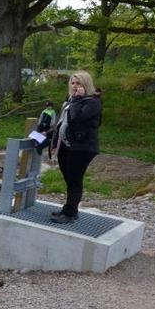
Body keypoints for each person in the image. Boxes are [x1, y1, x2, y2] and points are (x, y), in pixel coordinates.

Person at [50, 71, 102, 224]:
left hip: (82, 148)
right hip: (67, 146)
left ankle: (71, 213)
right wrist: (53, 143)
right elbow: (62, 122)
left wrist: (78, 99)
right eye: (72, 83)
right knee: (69, 179)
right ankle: (68, 209)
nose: (74, 86)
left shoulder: (92, 102)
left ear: (85, 85)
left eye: (78, 83)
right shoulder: (70, 101)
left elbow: (77, 117)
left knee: (75, 180)